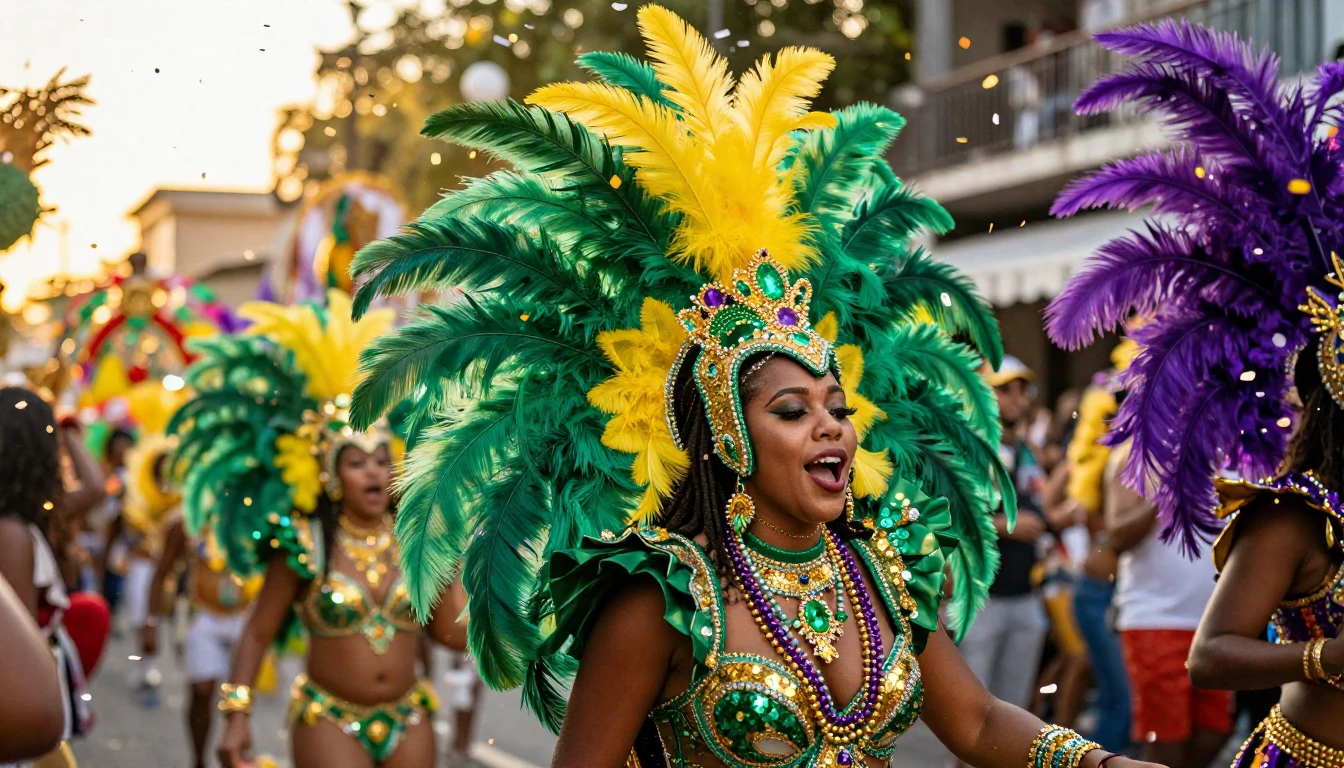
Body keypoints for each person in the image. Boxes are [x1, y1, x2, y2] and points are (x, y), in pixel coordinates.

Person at [347, 7, 1165, 767]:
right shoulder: (664, 596)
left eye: (837, 408)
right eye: (793, 411)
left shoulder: (881, 566)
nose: (831, 427)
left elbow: (978, 722)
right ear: (729, 434)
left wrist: (1101, 761)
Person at [1045, 20, 1344, 768]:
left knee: (1201, 741)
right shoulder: (1295, 513)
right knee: (1162, 743)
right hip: (1180, 641)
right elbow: (1209, 652)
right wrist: (1325, 657)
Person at [165, 292, 467, 768]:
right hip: (329, 719)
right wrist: (236, 715)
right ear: (330, 476)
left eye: (381, 459)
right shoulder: (305, 543)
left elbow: (453, 636)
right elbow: (257, 634)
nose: (373, 471)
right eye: (356, 462)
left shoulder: (416, 539)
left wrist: (453, 554)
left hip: (409, 715)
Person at [1106, 442, 1230, 767]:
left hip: (1215, 622)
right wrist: (1167, 490)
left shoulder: (1232, 456)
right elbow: (1116, 536)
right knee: (1166, 742)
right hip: (1154, 619)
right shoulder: (1135, 456)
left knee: (1215, 730)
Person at [0, 387, 105, 766]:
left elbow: (95, 489)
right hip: (21, 690)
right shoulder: (10, 532)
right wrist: (65, 431)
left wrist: (68, 427)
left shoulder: (26, 517)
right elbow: (20, 638)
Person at [141, 491, 262, 766]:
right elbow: (161, 573)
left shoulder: (260, 517)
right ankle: (198, 761)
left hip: (247, 619)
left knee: (240, 697)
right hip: (203, 616)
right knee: (202, 690)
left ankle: (237, 756)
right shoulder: (188, 520)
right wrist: (150, 623)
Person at [959, 356, 1051, 717]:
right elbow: (949, 517)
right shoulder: (969, 449)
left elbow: (1038, 507)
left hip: (1026, 597)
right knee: (973, 716)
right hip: (983, 601)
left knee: (1015, 716)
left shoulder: (1027, 450)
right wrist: (1006, 526)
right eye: (1004, 390)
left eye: (1022, 390)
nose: (1017, 398)